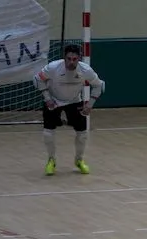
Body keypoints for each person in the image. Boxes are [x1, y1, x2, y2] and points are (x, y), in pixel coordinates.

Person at [33, 43, 105, 176]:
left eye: (75, 59)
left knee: (83, 134)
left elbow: (99, 85)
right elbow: (38, 80)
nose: (71, 62)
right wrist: (47, 98)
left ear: (79, 58)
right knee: (48, 133)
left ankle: (79, 160)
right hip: (54, 101)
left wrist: (89, 105)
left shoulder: (85, 70)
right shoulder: (53, 68)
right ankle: (51, 160)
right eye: (69, 59)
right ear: (64, 58)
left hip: (74, 101)